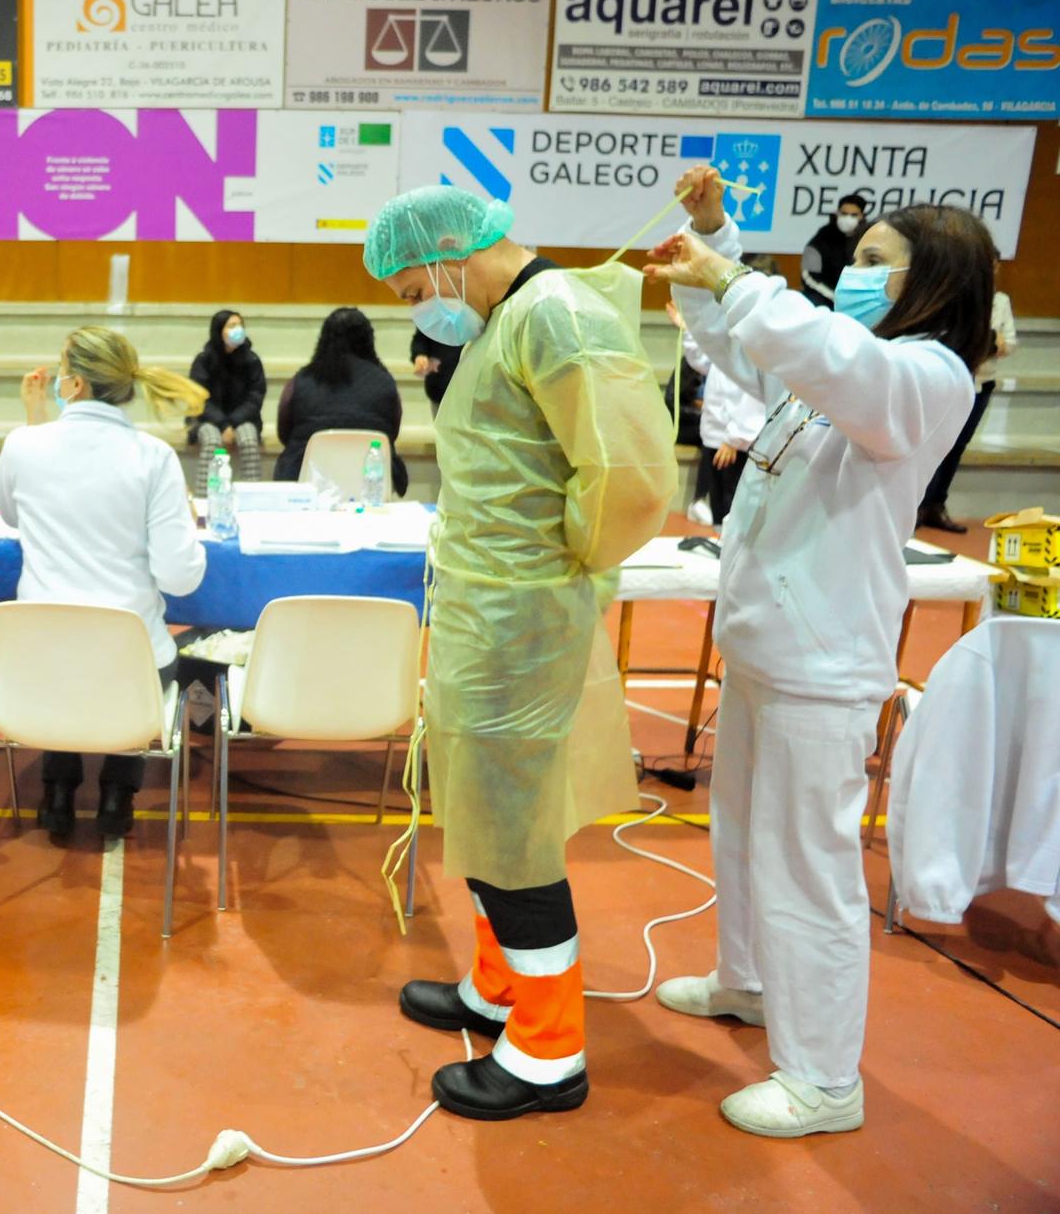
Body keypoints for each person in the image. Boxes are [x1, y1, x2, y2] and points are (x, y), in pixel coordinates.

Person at [647, 166, 992, 1138]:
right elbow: (744, 346)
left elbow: (812, 344)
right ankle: (748, 980)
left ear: (932, 281)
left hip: (820, 659)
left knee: (807, 862)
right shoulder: (842, 372)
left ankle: (823, 1077)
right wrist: (708, 240)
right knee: (743, 832)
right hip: (767, 641)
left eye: (875, 261)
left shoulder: (922, 379)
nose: (851, 269)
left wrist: (731, 275)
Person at [363, 186, 675, 1122]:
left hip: (520, 614)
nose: (417, 302)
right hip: (486, 611)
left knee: (518, 835)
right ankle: (497, 988)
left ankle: (548, 1050)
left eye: (417, 282)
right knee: (486, 816)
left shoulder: (555, 316)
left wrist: (557, 559)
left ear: (457, 247)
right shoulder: (505, 322)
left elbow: (627, 472)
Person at [0, 327, 208, 842]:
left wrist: (34, 427)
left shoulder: (24, 444)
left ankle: (58, 790)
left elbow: (10, 514)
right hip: (129, 662)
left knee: (64, 642)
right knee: (131, 648)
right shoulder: (152, 457)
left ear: (73, 384)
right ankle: (118, 792)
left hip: (38, 661)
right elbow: (180, 576)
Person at [273, 307, 407, 492]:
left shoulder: (302, 380)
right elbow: (392, 431)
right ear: (368, 339)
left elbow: (283, 433)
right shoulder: (385, 381)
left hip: (304, 482)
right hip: (371, 484)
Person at [918, 278, 1015, 532]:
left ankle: (936, 504)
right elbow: (955, 340)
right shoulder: (952, 294)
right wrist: (992, 342)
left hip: (982, 382)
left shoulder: (1000, 301)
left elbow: (1009, 343)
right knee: (934, 442)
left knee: (958, 446)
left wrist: (990, 343)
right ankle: (918, 504)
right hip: (950, 380)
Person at [673, 294, 766, 527]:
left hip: (734, 445)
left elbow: (754, 396)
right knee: (715, 510)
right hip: (715, 437)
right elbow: (702, 362)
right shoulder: (727, 344)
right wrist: (688, 330)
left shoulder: (752, 346)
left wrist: (736, 438)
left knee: (731, 513)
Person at [187, 309, 266, 483]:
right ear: (218, 330)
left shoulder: (252, 361)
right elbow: (198, 397)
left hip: (243, 420)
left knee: (249, 441)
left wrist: (232, 423)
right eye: (232, 325)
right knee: (211, 442)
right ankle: (204, 499)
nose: (238, 329)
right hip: (207, 420)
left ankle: (250, 496)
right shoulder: (204, 361)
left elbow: (255, 397)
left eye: (240, 325)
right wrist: (223, 424)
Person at [799, 193, 868, 309]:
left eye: (853, 215)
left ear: (862, 216)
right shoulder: (822, 236)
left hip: (856, 299)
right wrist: (832, 296)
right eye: (844, 214)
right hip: (823, 295)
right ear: (837, 213)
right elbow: (808, 273)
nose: (848, 218)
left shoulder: (867, 238)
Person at [409, 328, 462, 415]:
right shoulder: (430, 316)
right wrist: (420, 354)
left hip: (468, 386)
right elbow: (420, 339)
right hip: (439, 385)